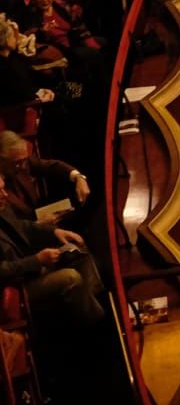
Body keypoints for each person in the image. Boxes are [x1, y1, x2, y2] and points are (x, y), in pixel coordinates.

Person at [0, 173, 104, 329]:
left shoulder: (2, 206)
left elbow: (22, 227)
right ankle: (100, 328)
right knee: (70, 278)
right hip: (16, 287)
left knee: (76, 248)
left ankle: (95, 305)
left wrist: (55, 232)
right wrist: (37, 261)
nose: (5, 195)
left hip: (29, 264)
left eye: (3, 188)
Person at [0, 132, 89, 222]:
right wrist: (39, 224)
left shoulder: (22, 163)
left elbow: (52, 166)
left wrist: (79, 177)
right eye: (17, 163)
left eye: (24, 160)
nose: (23, 166)